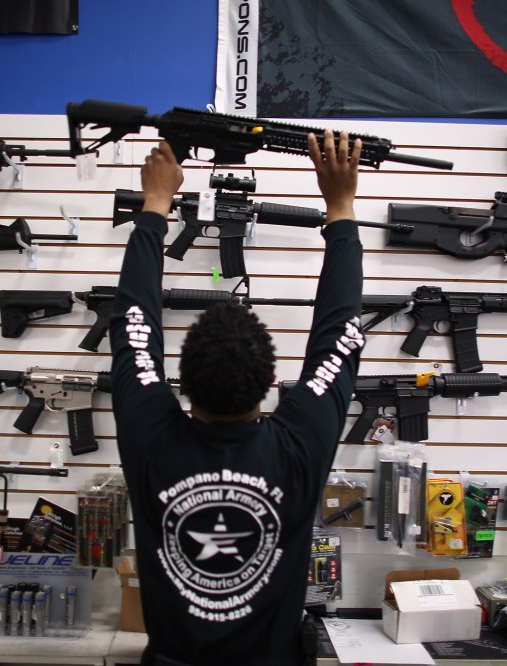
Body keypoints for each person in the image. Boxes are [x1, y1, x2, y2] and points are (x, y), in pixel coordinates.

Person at [109, 130, 365, 666]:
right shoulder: (299, 443)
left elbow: (133, 324)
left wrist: (155, 205)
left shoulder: (150, 434)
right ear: (271, 385)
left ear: (181, 382)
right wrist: (340, 207)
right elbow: (339, 334)